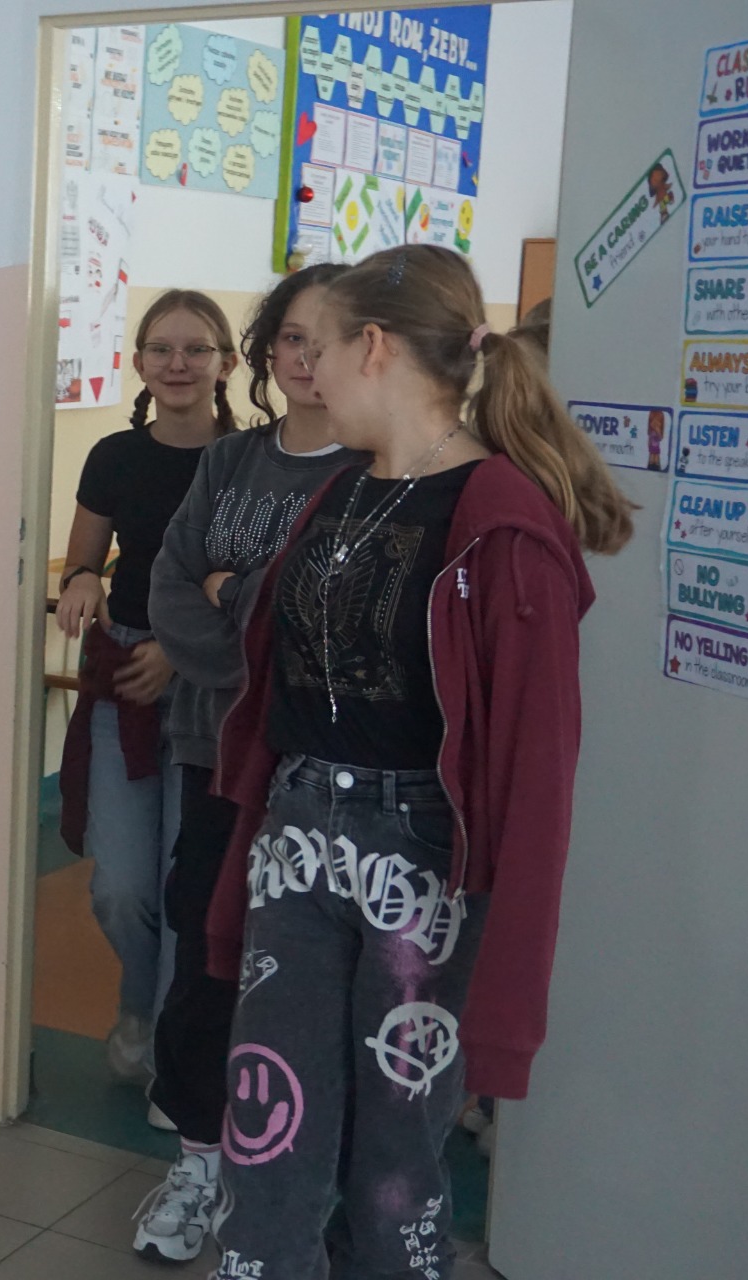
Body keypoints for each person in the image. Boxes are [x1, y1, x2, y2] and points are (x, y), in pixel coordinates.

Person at [200, 245, 634, 1280]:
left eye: (316, 346)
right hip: (298, 843)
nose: (305, 370)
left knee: (397, 1161)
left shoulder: (502, 525)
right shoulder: (340, 491)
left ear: (374, 347)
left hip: (422, 864)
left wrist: (508, 990)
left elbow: (535, 774)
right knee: (267, 1127)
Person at [130, 264, 369, 1264]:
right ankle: (199, 1159)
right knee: (205, 952)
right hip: (213, 751)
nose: (306, 359)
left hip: (317, 767)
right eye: (291, 338)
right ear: (267, 353)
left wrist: (237, 598)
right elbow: (169, 582)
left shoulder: (373, 472)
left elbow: (329, 623)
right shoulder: (230, 461)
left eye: (327, 338)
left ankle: (297, 1180)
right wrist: (248, 630)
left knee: (309, 976)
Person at [57, 290, 238, 1083]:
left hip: (210, 689)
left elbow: (249, 587)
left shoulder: (247, 460)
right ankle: (142, 1004)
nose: (178, 364)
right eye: (162, 349)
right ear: (139, 363)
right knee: (123, 888)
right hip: (125, 682)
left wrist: (181, 647)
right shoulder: (114, 456)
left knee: (185, 882)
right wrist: (84, 579)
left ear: (227, 363)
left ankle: (170, 1051)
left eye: (196, 349)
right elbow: (84, 559)